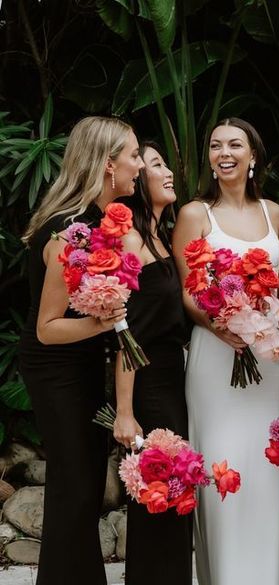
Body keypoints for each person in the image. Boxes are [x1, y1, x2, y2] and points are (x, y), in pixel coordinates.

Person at [18, 116, 143, 585]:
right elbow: (47, 329)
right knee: (74, 487)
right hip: (56, 370)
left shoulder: (103, 223)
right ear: (108, 165)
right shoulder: (69, 231)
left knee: (87, 486)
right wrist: (107, 320)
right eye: (133, 155)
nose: (139, 165)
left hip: (88, 365)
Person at [172, 117, 279, 585]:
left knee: (266, 468)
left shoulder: (275, 214)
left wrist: (273, 332)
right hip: (215, 357)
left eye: (235, 144)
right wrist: (218, 323)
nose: (224, 152)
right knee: (223, 465)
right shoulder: (195, 214)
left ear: (253, 155)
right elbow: (186, 290)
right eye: (216, 145)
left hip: (267, 358)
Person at [112, 141, 192, 584]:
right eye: (157, 164)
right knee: (158, 494)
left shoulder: (160, 236)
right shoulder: (129, 239)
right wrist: (125, 412)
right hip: (147, 384)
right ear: (139, 178)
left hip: (172, 376)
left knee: (174, 494)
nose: (168, 171)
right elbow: (126, 332)